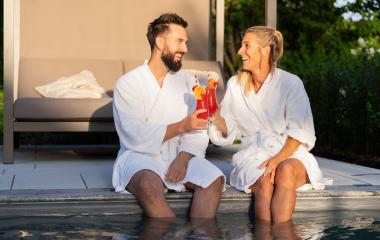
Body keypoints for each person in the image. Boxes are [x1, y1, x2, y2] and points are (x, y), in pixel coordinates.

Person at [112, 13, 225, 218]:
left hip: (179, 153)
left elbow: (198, 129)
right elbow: (133, 134)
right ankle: (173, 233)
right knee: (148, 185)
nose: (185, 49)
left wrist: (182, 158)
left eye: (186, 42)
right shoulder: (128, 84)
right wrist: (181, 126)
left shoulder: (187, 81)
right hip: (139, 156)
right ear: (159, 42)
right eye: (179, 41)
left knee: (213, 179)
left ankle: (202, 233)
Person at [209, 26, 326, 223]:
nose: (240, 51)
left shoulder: (290, 83)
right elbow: (230, 129)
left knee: (285, 171)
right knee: (265, 183)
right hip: (253, 154)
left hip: (289, 152)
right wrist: (217, 117)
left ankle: (282, 234)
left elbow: (301, 130)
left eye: (247, 45)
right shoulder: (235, 84)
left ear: (265, 50)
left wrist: (277, 159)